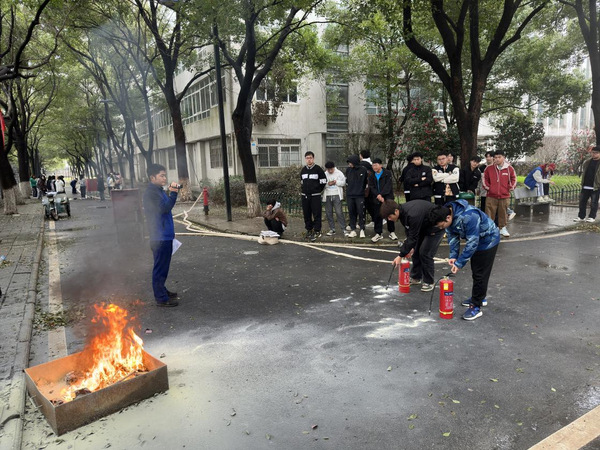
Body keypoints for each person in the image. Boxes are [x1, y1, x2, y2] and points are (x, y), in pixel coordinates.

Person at [429, 200, 500, 321]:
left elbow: (472, 243)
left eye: (441, 226)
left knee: (480, 273)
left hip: (488, 240)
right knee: (476, 271)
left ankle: (476, 306)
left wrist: (459, 263)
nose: (441, 228)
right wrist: (453, 256)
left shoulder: (469, 216)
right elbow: (452, 236)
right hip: (476, 239)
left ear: (448, 218)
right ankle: (479, 297)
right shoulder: (447, 213)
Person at [380, 199, 445, 292]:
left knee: (425, 253)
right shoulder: (403, 214)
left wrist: (400, 255)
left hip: (436, 228)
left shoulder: (412, 215)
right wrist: (411, 248)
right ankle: (416, 277)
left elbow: (413, 237)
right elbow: (409, 231)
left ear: (396, 211)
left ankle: (429, 281)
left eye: (389, 216)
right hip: (423, 227)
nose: (389, 219)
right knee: (415, 251)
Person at [143, 163, 180, 307]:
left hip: (165, 235)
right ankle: (161, 298)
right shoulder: (151, 193)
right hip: (159, 237)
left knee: (164, 267)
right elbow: (164, 209)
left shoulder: (159, 190)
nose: (165, 178)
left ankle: (162, 290)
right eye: (162, 176)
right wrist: (174, 193)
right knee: (160, 268)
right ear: (152, 177)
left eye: (165, 175)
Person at [482, 150, 516, 238]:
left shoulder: (509, 168)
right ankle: (490, 228)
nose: (497, 159)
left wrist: (511, 187)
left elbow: (514, 179)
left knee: (503, 212)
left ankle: (502, 228)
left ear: (504, 157)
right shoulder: (489, 168)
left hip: (504, 195)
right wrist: (489, 188)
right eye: (495, 157)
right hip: (491, 195)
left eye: (499, 157)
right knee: (489, 212)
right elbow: (485, 179)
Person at [368, 158, 398, 242]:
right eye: (373, 165)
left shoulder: (387, 173)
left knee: (390, 214)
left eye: (376, 165)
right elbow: (371, 187)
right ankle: (378, 233)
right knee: (377, 215)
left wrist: (381, 195)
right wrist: (378, 195)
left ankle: (392, 232)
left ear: (381, 165)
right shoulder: (372, 175)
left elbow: (388, 186)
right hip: (377, 197)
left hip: (387, 197)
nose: (374, 167)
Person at [300, 151, 327, 241]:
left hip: (315, 196)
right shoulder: (303, 170)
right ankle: (309, 229)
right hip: (305, 196)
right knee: (306, 214)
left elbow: (323, 182)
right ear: (305, 159)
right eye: (307, 158)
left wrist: (317, 190)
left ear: (313, 158)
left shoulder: (318, 169)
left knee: (316, 214)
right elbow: (302, 182)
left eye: (310, 158)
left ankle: (317, 230)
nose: (309, 160)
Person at [574, 146, 600, 223]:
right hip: (585, 185)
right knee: (582, 202)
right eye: (592, 152)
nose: (594, 154)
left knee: (594, 202)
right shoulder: (587, 162)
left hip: (595, 186)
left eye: (596, 153)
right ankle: (581, 216)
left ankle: (592, 217)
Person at [345, 155, 368, 238]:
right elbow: (347, 181)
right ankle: (353, 230)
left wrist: (361, 189)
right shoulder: (348, 170)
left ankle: (362, 229)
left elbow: (365, 181)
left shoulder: (363, 170)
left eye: (350, 162)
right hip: (350, 195)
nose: (349, 164)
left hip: (359, 195)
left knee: (361, 212)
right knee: (351, 212)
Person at [322, 161, 347, 236]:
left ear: (333, 167)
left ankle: (344, 229)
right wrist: (328, 184)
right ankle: (332, 229)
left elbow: (343, 182)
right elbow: (322, 184)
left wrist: (336, 182)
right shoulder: (325, 174)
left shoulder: (339, 173)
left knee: (339, 212)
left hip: (337, 194)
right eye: (328, 169)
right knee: (328, 213)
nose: (330, 171)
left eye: (331, 169)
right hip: (327, 195)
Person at [359, 150, 375, 226]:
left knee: (365, 205)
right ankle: (375, 219)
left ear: (361, 155)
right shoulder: (371, 164)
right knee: (370, 204)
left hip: (364, 188)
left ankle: (363, 222)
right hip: (372, 187)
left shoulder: (362, 164)